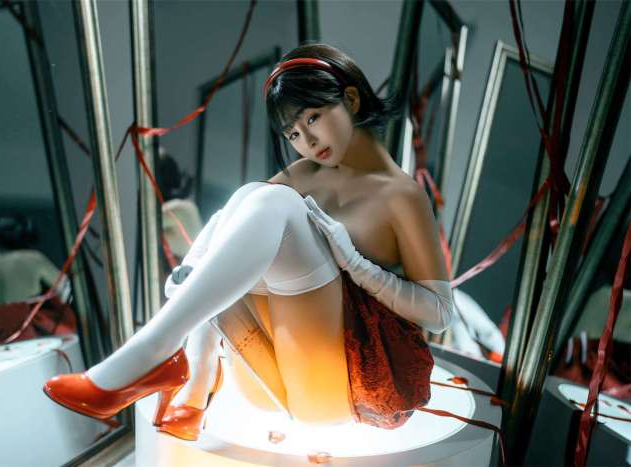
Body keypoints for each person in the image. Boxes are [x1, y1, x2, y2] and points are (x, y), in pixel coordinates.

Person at [43, 43, 453, 436]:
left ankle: (156, 356)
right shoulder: (305, 174)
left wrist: (358, 266)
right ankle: (198, 374)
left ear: (351, 98)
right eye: (292, 134)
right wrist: (194, 266)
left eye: (312, 118)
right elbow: (234, 217)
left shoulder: (401, 196)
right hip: (271, 379)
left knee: (274, 201)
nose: (307, 142)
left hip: (354, 387)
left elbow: (439, 314)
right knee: (249, 196)